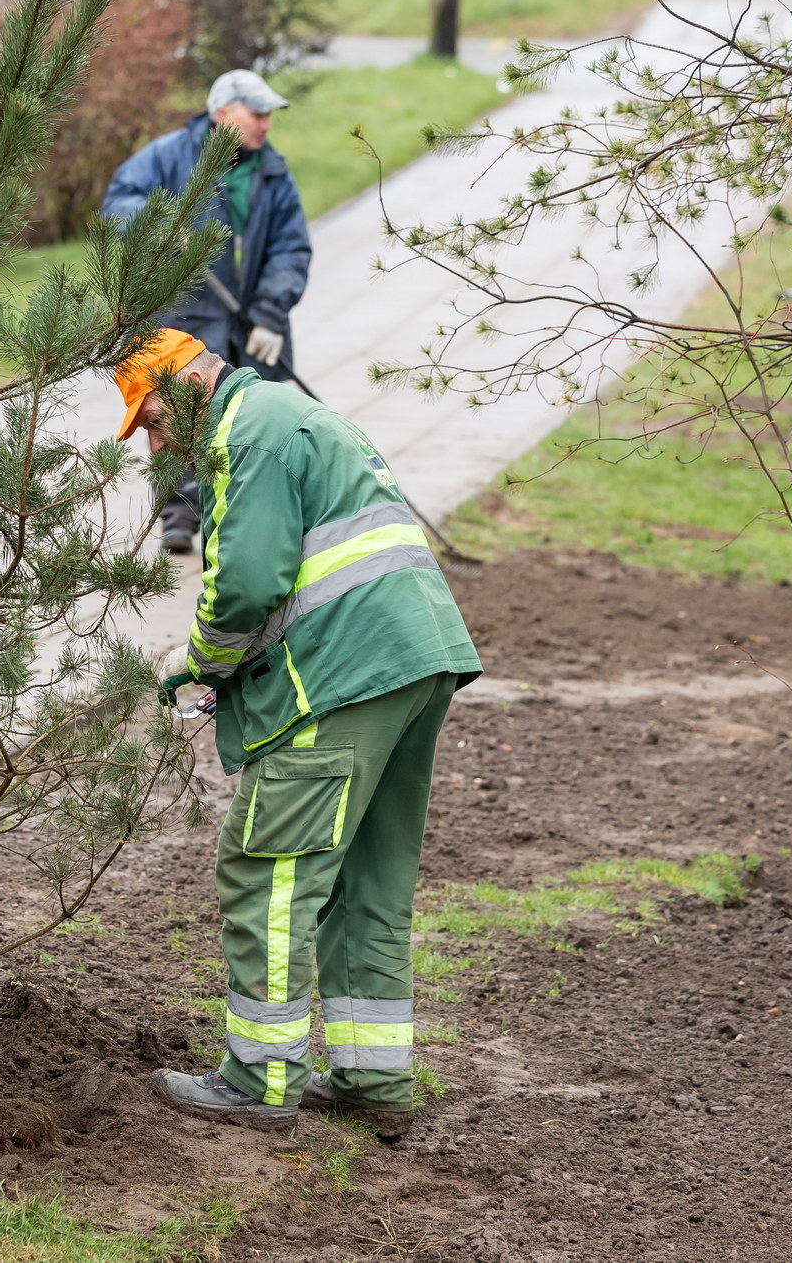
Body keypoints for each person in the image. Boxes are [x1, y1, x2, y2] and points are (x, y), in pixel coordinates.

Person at [110, 330, 479, 1136]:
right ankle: (372, 1079)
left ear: (195, 387)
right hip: (414, 663)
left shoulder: (247, 431)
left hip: (347, 675)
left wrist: (197, 661)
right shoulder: (294, 415)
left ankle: (260, 1077)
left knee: (264, 867)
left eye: (155, 419)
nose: (157, 443)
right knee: (364, 879)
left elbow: (245, 582)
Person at [101, 68, 313, 553]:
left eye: (268, 115)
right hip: (183, 321)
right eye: (257, 114)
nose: (266, 125)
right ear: (223, 113)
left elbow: (291, 249)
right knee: (174, 415)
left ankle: (247, 519)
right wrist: (159, 222)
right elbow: (118, 203)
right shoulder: (170, 155)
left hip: (250, 320)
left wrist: (270, 316)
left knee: (253, 421)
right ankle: (179, 513)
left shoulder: (273, 173)